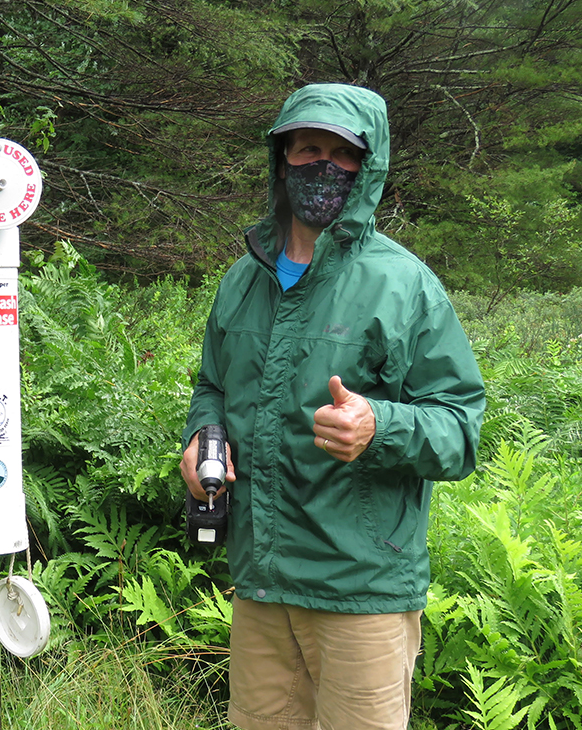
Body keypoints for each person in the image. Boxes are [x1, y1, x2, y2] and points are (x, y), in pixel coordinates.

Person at [181, 83, 485, 730]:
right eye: (307, 147)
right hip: (261, 582)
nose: (322, 165)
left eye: (342, 154)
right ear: (282, 158)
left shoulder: (403, 286)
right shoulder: (246, 278)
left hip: (361, 590)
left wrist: (381, 426)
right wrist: (203, 435)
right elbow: (212, 385)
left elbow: (461, 427)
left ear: (368, 166)